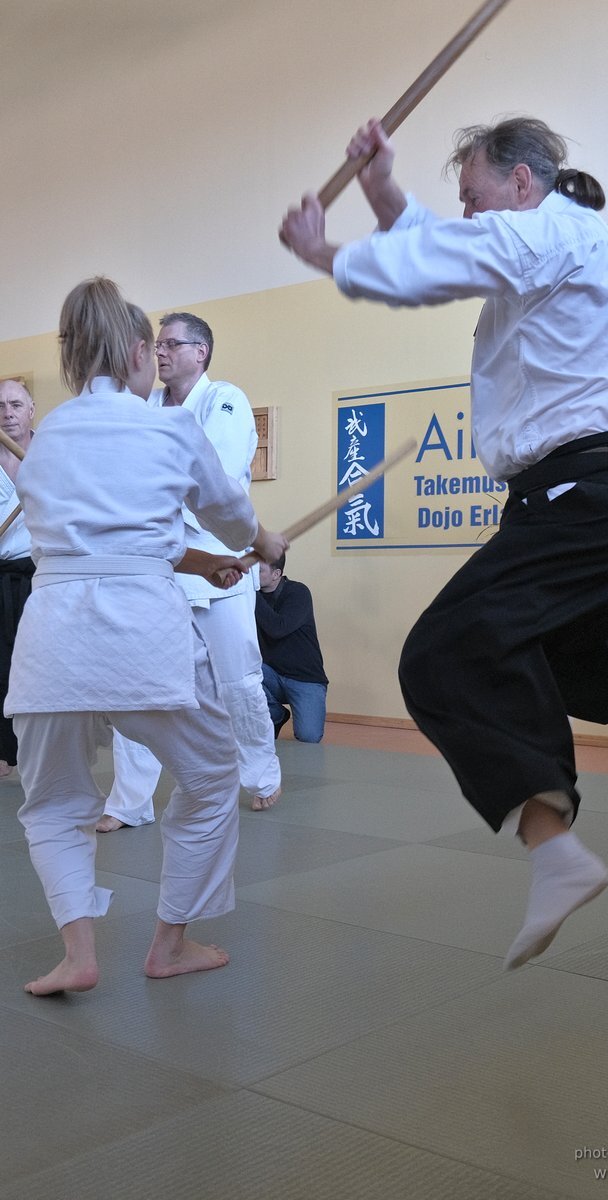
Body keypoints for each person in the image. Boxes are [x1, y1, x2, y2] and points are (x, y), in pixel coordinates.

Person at [280, 116, 608, 969]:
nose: (472, 218)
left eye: (477, 196)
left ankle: (554, 849)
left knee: (440, 656)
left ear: (524, 183)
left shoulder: (558, 228)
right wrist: (383, 195)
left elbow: (445, 261)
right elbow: (444, 247)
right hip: (589, 498)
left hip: (590, 493)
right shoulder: (537, 250)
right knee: (530, 652)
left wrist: (327, 254)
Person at [6, 276, 287, 995]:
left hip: (53, 641)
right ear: (136, 351)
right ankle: (169, 944)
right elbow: (229, 514)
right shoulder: (166, 426)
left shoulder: (44, 442)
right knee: (213, 773)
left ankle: (78, 954)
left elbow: (93, 541)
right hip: (142, 634)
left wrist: (206, 561)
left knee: (53, 802)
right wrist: (266, 542)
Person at [98, 310, 282, 830]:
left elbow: (213, 482)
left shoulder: (225, 400)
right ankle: (129, 801)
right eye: (156, 345)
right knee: (141, 684)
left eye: (172, 344)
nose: (159, 353)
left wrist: (151, 498)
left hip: (218, 561)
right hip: (162, 564)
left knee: (237, 681)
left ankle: (261, 774)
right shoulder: (144, 407)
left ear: (201, 351)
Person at [0, 379, 36, 777]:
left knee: (33, 665)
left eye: (15, 404)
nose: (7, 412)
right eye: (0, 405)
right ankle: (1, 750)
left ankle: (35, 751)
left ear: (31, 410)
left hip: (35, 574)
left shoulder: (49, 454)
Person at [255, 553, 328, 742]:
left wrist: (250, 593)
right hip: (271, 674)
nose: (251, 573)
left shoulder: (298, 592)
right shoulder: (253, 597)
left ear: (276, 574)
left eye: (259, 569)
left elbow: (278, 628)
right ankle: (276, 714)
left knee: (308, 737)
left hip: (305, 679)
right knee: (240, 668)